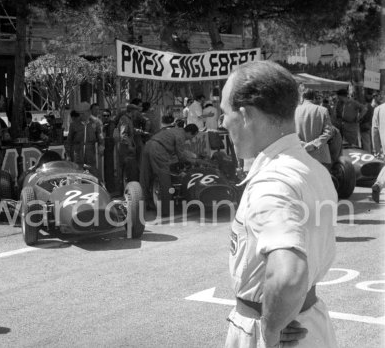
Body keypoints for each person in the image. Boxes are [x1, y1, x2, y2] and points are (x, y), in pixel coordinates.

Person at [220, 61, 337, 348]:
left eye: (225, 112)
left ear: (245, 114)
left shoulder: (273, 181)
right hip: (309, 323)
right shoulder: (311, 167)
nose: (223, 123)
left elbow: (288, 274)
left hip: (278, 334)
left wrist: (269, 332)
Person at [140, 116, 199, 216]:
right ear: (189, 133)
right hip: (158, 149)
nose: (191, 139)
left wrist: (191, 156)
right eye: (192, 137)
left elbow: (177, 151)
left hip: (148, 145)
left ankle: (142, 205)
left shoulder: (176, 130)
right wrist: (194, 161)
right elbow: (181, 156)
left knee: (145, 177)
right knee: (165, 179)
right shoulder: (181, 137)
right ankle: (165, 211)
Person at [294, 89, 334, 166]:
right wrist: (314, 144)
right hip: (320, 156)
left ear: (302, 97)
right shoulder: (323, 110)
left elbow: (291, 132)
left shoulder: (295, 111)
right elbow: (329, 132)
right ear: (314, 98)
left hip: (301, 154)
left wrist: (303, 144)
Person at [66, 102, 104, 169]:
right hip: (77, 156)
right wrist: (68, 155)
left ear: (88, 112)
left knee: (90, 174)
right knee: (79, 175)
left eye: (82, 114)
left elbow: (100, 136)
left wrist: (101, 146)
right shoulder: (74, 125)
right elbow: (69, 141)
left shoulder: (96, 123)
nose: (81, 116)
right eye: (80, 114)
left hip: (90, 156)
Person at [116, 103, 141, 190]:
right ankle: (124, 190)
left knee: (130, 170)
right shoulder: (124, 119)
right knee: (127, 170)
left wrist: (141, 131)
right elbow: (123, 135)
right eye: (136, 112)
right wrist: (130, 146)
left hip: (128, 148)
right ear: (132, 111)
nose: (137, 114)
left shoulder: (129, 119)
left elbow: (131, 130)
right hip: (125, 149)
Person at [371, 99, 385, 203]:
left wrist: (376, 148)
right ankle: (379, 185)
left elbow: (374, 130)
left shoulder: (378, 109)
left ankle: (378, 184)